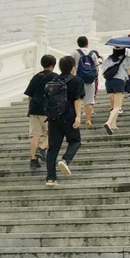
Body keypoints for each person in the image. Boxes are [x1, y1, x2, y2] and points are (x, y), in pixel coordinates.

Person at [45, 55, 85, 187]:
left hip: (53, 117)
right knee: (75, 141)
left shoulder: (53, 80)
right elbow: (77, 99)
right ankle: (65, 160)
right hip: (69, 116)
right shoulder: (76, 80)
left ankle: (50, 178)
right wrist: (78, 116)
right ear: (73, 67)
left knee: (52, 148)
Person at [23, 55, 55, 168]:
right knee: (53, 133)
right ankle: (42, 149)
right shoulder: (54, 77)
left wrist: (30, 109)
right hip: (47, 110)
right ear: (53, 65)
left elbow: (29, 95)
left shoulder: (36, 77)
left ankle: (33, 159)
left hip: (34, 109)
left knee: (35, 135)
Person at [72, 37, 101, 125]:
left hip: (78, 79)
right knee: (89, 100)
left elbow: (71, 67)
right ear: (87, 43)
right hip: (90, 80)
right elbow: (96, 67)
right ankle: (88, 119)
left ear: (78, 43)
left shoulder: (75, 53)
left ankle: (77, 118)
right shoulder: (92, 53)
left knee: (77, 99)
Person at [101, 46, 129, 134]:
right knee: (118, 106)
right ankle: (109, 122)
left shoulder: (108, 58)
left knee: (113, 105)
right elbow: (129, 72)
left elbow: (103, 72)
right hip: (119, 82)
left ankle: (113, 124)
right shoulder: (127, 59)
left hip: (108, 82)